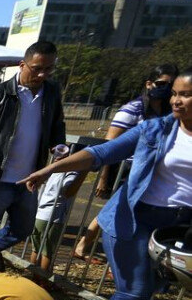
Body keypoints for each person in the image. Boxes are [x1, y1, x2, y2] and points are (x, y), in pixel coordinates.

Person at [19, 68, 192, 300]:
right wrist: (51, 168)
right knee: (136, 290)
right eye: (174, 94)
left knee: (139, 289)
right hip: (132, 219)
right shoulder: (154, 130)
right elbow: (101, 153)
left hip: (174, 227)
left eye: (185, 94)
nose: (176, 100)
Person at [0, 41, 66, 252]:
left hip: (28, 179)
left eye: (48, 69)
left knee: (22, 229)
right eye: (36, 69)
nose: (42, 75)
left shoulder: (52, 93)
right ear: (22, 64)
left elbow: (57, 125)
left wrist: (58, 146)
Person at [74, 64, 178, 258]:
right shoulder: (133, 109)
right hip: (126, 169)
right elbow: (109, 145)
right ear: (149, 84)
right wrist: (105, 177)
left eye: (171, 84)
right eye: (162, 83)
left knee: (118, 208)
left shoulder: (168, 112)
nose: (167, 87)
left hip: (150, 171)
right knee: (118, 209)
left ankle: (87, 244)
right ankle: (93, 245)